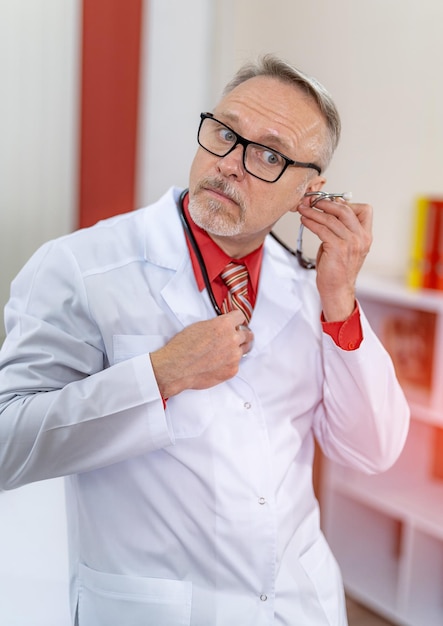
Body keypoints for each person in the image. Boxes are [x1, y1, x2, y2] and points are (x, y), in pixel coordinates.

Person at [0, 54, 409, 626]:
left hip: (299, 605)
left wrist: (340, 300)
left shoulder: (310, 290)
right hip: (157, 611)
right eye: (224, 133)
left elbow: (372, 449)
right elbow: (7, 444)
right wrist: (162, 375)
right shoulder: (79, 268)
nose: (230, 165)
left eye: (268, 154)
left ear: (309, 191)